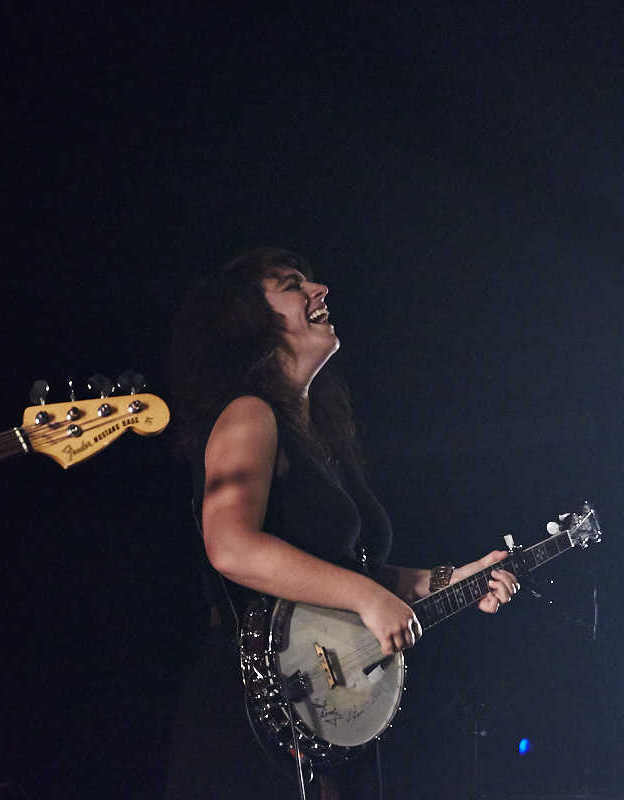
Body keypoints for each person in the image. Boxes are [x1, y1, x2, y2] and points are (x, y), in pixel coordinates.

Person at [164, 248, 521, 800]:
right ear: (248, 322)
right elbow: (231, 546)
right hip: (256, 712)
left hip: (325, 717)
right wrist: (365, 596)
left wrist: (454, 579)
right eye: (292, 285)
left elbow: (351, 572)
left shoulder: (314, 436)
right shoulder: (249, 413)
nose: (320, 290)